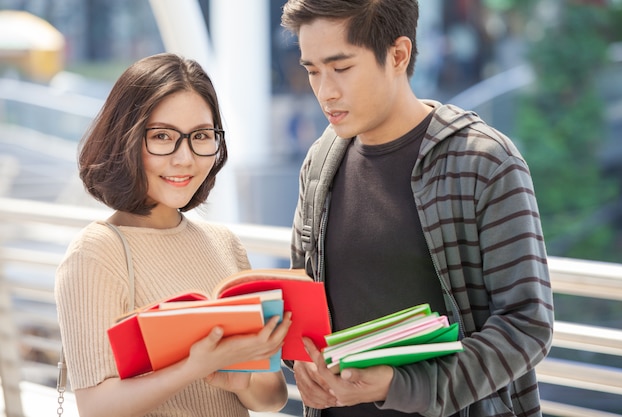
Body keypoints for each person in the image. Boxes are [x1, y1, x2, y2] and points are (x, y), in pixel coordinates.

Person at [281, 1, 554, 416]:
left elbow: (527, 325)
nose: (325, 91)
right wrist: (301, 364)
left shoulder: (484, 161)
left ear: (398, 54)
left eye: (341, 68)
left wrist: (403, 385)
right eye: (312, 70)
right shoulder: (321, 160)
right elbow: (304, 299)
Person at [54, 53, 291, 417]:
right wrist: (193, 367)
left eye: (200, 136)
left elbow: (272, 399)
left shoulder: (224, 243)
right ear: (126, 140)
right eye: (163, 136)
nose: (185, 158)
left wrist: (244, 377)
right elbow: (96, 408)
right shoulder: (96, 252)